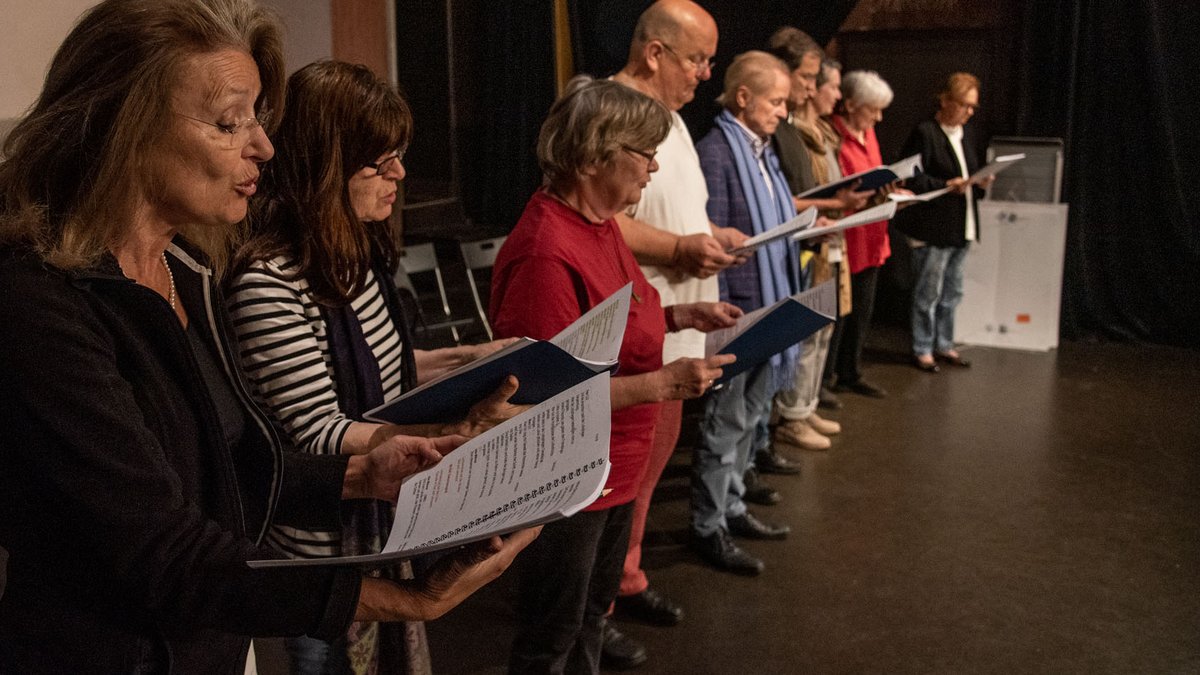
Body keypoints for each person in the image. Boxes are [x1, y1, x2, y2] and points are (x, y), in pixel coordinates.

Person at [0, 1, 536, 672]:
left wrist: (366, 473)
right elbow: (162, 554)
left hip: (214, 642)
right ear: (121, 127)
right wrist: (409, 598)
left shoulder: (186, 268)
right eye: (230, 122)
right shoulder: (38, 301)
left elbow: (235, 471)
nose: (264, 146)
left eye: (259, 118)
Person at [226, 60, 522, 674]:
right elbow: (319, 431)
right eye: (379, 160)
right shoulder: (269, 281)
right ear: (326, 164)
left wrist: (472, 357)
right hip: (326, 553)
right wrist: (454, 439)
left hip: (380, 529)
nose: (400, 175)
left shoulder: (351, 254)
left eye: (399, 155)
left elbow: (376, 368)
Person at [490, 75, 739, 675]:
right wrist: (664, 383)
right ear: (599, 153)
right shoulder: (548, 248)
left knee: (592, 617)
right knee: (552, 634)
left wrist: (680, 313)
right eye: (645, 154)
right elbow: (541, 396)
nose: (653, 168)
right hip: (571, 472)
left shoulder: (598, 224)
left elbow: (619, 317)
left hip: (616, 459)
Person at [605, 0, 744, 661]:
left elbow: (679, 209)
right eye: (696, 58)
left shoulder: (676, 122)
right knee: (614, 478)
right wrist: (680, 248)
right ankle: (593, 604)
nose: (706, 74)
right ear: (654, 52)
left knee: (648, 472)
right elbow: (601, 218)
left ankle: (624, 577)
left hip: (677, 328)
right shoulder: (605, 108)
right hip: (635, 332)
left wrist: (711, 235)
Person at [692, 51, 800, 576]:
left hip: (772, 306)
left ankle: (732, 506)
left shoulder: (763, 151)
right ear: (742, 97)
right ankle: (708, 524)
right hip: (739, 311)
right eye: (776, 101)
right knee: (726, 421)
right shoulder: (716, 151)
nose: (783, 111)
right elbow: (708, 234)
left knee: (750, 416)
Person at [763, 27, 864, 458]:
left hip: (816, 239)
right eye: (808, 77)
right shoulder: (781, 130)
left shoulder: (806, 130)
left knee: (818, 332)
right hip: (792, 248)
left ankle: (802, 406)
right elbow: (777, 196)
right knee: (798, 337)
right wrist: (831, 202)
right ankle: (791, 415)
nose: (811, 86)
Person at [894, 72, 992, 372]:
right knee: (929, 291)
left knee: (953, 291)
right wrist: (946, 184)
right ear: (946, 101)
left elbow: (970, 171)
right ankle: (923, 347)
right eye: (964, 105)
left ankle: (944, 344)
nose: (969, 112)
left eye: (973, 106)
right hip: (934, 225)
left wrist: (979, 182)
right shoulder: (926, 132)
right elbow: (909, 175)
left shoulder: (969, 133)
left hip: (961, 223)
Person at [829, 70, 901, 399]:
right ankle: (827, 380)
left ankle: (850, 372)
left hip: (873, 233)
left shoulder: (868, 134)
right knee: (839, 312)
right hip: (847, 236)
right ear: (852, 104)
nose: (879, 117)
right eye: (873, 109)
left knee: (862, 311)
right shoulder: (834, 135)